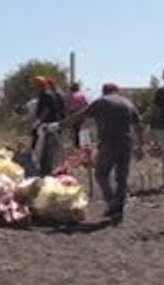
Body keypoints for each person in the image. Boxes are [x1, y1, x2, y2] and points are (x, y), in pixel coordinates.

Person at [61, 83, 145, 220]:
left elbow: (80, 115)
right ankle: (119, 207)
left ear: (104, 91)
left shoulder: (102, 102)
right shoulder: (128, 103)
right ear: (117, 91)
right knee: (121, 178)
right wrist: (140, 146)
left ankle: (111, 202)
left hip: (109, 143)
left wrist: (60, 125)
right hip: (126, 143)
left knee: (101, 173)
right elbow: (139, 125)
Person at [34, 77, 66, 176]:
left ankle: (46, 171)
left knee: (47, 148)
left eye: (36, 84)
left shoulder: (46, 95)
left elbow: (46, 110)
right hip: (53, 124)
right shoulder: (51, 93)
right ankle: (49, 169)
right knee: (51, 148)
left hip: (48, 125)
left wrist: (38, 121)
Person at [66, 82, 90, 148]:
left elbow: (67, 106)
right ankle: (84, 144)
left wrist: (68, 114)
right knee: (82, 128)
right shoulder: (83, 95)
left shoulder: (70, 96)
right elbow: (87, 104)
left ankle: (77, 144)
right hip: (82, 113)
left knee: (75, 129)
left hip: (74, 113)